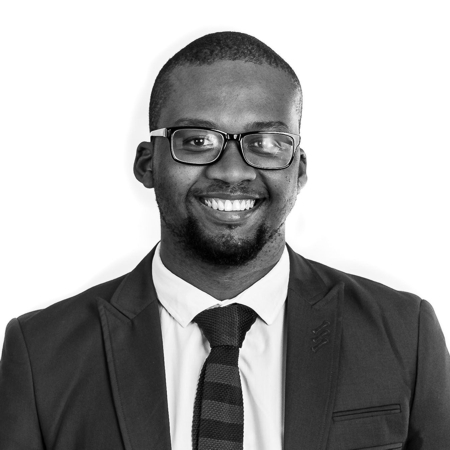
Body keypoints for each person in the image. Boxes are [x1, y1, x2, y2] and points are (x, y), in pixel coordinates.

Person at [0, 31, 449, 450]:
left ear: (299, 170)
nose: (232, 171)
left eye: (266, 143)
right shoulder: (40, 353)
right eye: (197, 141)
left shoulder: (405, 334)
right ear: (147, 164)